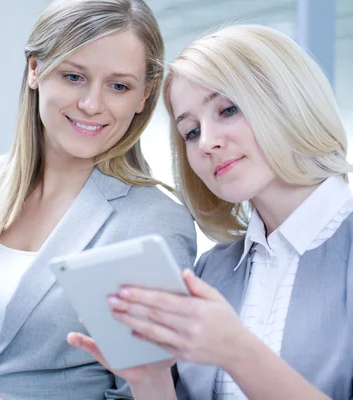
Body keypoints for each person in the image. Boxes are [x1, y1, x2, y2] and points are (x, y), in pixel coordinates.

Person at [0, 0, 197, 399]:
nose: (92, 104)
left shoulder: (154, 221)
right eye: (74, 76)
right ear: (35, 69)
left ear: (144, 94)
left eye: (119, 86)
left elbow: (142, 394)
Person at [69, 24, 353, 399]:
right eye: (190, 131)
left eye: (228, 109)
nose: (207, 142)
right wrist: (149, 378)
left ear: (288, 100)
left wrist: (237, 351)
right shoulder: (212, 272)